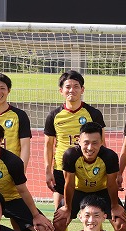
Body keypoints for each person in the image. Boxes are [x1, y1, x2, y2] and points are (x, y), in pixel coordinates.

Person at [53, 122, 126, 231]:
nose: (90, 148)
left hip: (102, 191)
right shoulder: (70, 155)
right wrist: (67, 207)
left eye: (95, 143)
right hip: (78, 190)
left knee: (121, 224)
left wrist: (114, 206)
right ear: (79, 141)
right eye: (86, 142)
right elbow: (69, 184)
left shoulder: (110, 156)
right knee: (59, 223)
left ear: (101, 142)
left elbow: (111, 184)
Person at [44, 70, 105, 209]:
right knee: (60, 214)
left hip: (88, 166)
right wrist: (48, 171)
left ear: (82, 89)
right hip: (62, 167)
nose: (72, 90)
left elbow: (102, 143)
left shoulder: (93, 114)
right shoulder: (54, 116)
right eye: (68, 87)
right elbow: (48, 145)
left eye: (76, 86)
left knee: (94, 209)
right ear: (61, 90)